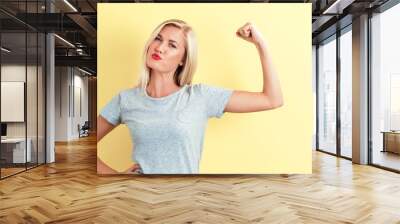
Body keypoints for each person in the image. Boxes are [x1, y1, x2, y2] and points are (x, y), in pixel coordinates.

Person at [97, 19, 283, 174]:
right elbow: (88, 146)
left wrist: (260, 43)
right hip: (139, 202)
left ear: (183, 59)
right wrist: (116, 177)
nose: (160, 48)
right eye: (157, 39)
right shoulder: (126, 99)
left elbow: (272, 99)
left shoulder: (200, 97)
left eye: (172, 45)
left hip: (185, 200)